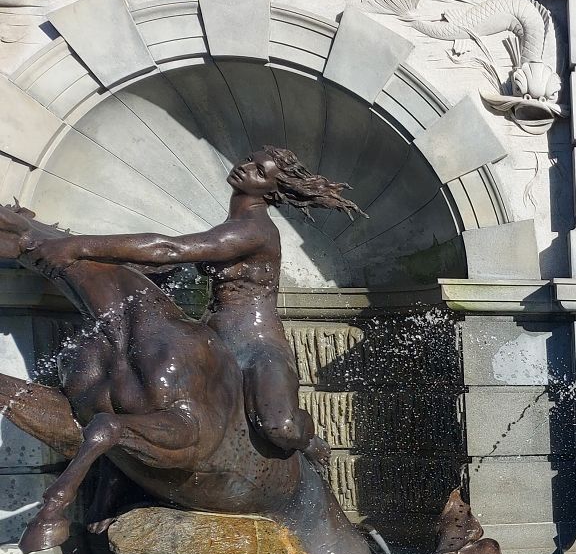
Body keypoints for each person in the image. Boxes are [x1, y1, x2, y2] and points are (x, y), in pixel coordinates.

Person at [24, 146, 361, 468]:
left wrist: (77, 246)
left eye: (259, 171)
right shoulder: (230, 225)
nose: (245, 168)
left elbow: (170, 250)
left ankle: (310, 441)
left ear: (272, 191)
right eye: (248, 159)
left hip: (256, 347)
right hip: (212, 336)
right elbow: (167, 261)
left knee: (279, 426)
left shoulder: (255, 230)